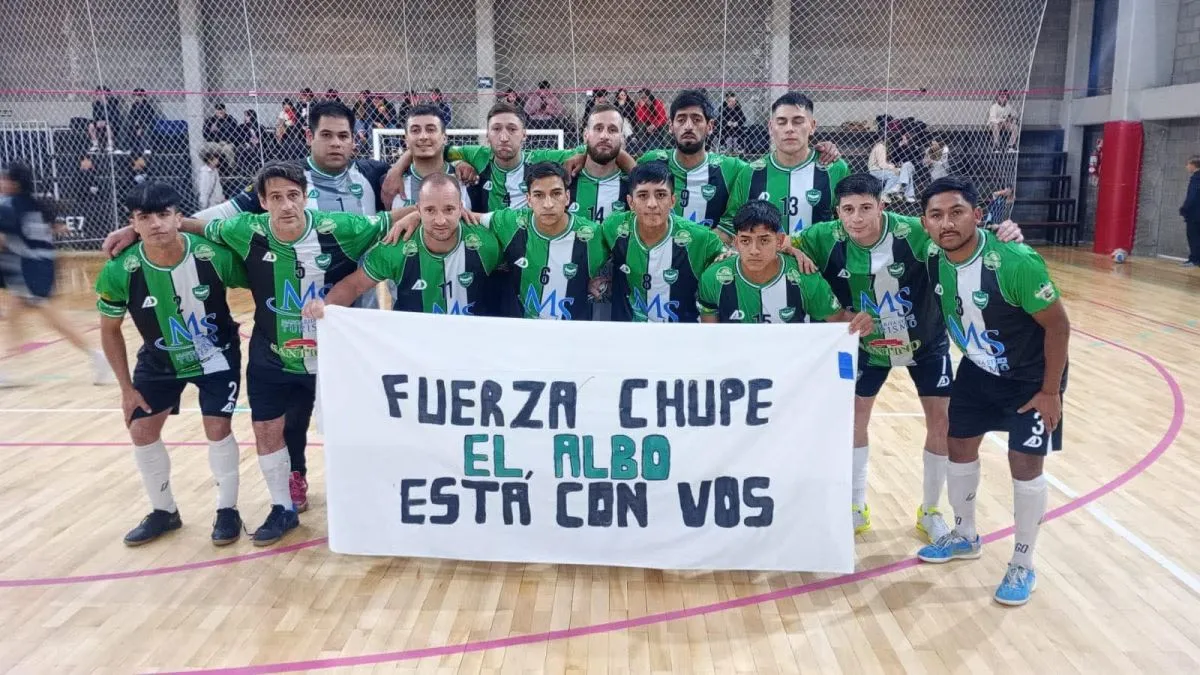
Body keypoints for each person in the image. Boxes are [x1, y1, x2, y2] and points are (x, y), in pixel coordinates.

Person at [102, 162, 410, 543]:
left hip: (332, 353)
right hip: (270, 352)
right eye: (276, 197)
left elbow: (395, 217)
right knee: (265, 429)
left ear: (305, 197)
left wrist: (417, 215)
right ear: (262, 202)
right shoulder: (244, 230)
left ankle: (367, 502)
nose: (286, 205)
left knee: (351, 427)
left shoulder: (341, 228)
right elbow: (198, 226)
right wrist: (141, 230)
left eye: (293, 196)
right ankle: (281, 508)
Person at [795, 173, 1025, 537]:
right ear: (837, 212)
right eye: (848, 210)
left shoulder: (914, 232)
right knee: (854, 419)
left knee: (941, 422)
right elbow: (782, 243)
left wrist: (1004, 232)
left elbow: (967, 237)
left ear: (882, 206)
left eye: (866, 208)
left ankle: (931, 510)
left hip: (925, 341)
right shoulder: (823, 236)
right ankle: (855, 505)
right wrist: (793, 250)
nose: (857, 218)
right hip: (865, 345)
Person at [915, 176, 1069, 607]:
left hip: (1032, 379)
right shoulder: (933, 255)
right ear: (925, 223)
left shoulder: (1015, 261)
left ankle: (1023, 562)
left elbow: (1059, 326)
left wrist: (1050, 391)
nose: (947, 223)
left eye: (957, 212)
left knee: (1025, 464)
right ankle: (965, 535)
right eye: (936, 215)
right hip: (978, 369)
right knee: (958, 446)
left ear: (978, 215)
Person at [96, 182, 247, 547]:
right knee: (141, 430)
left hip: (215, 353)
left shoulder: (212, 255)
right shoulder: (120, 270)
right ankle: (164, 512)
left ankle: (227, 510)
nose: (156, 224)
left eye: (164, 215)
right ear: (133, 224)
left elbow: (259, 282)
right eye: (145, 217)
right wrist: (125, 389)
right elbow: (110, 330)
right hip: (159, 358)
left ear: (179, 218)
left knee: (217, 427)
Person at [305, 173, 500, 317]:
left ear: (461, 209)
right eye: (430, 210)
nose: (440, 220)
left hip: (469, 349)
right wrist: (325, 306)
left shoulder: (486, 244)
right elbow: (354, 286)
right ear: (418, 210)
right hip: (412, 349)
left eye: (449, 209)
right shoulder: (396, 246)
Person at [0, 161, 113, 386]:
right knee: (13, 312)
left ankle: (97, 356)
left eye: (4, 179)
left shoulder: (8, 205)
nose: (2, 182)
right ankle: (9, 368)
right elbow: (56, 228)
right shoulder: (35, 203)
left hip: (30, 267)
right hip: (45, 262)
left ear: (14, 183)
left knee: (54, 319)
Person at [698, 199, 868, 329]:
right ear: (735, 242)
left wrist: (864, 322)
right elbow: (710, 336)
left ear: (779, 241)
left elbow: (839, 319)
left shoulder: (804, 275)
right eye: (745, 241)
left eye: (764, 240)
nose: (754, 250)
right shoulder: (714, 277)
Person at [384, 102, 576, 212]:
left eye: (512, 129)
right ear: (487, 135)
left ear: (524, 134)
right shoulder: (477, 156)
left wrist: (580, 157)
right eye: (496, 129)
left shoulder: (541, 159)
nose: (504, 137)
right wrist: (397, 168)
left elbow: (586, 149)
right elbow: (434, 147)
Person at [483, 163, 611, 320]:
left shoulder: (592, 235)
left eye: (556, 193)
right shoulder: (512, 223)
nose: (548, 204)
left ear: (567, 197)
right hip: (523, 329)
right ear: (528, 199)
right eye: (538, 195)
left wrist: (599, 281)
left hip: (572, 331)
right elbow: (472, 218)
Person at [601, 162, 724, 323]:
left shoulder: (702, 239)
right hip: (628, 332)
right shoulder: (614, 227)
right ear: (630, 202)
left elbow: (728, 267)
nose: (652, 204)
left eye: (660, 195)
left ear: (673, 200)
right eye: (643, 195)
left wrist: (726, 256)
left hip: (681, 333)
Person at [724, 92, 850, 238]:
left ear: (812, 126)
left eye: (798, 121)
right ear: (771, 127)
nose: (789, 128)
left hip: (819, 254)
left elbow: (850, 225)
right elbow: (729, 227)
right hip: (767, 254)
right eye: (781, 122)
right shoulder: (750, 173)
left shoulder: (835, 169)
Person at [634, 90, 748, 232]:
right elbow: (630, 174)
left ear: (710, 126)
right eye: (681, 120)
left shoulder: (731, 168)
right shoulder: (652, 160)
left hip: (711, 246)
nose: (688, 126)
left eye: (696, 119)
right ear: (670, 126)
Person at [392, 104, 470, 208]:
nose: (423, 137)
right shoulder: (393, 184)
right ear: (406, 139)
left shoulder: (466, 180)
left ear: (444, 138)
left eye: (430, 130)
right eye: (415, 130)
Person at [571, 104, 629, 223]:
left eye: (612, 130)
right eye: (598, 128)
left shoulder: (632, 188)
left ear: (622, 138)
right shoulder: (565, 182)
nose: (604, 136)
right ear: (586, 135)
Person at [869, 135, 916, 204]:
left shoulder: (913, 148)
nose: (902, 141)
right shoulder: (881, 147)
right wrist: (893, 168)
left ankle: (898, 190)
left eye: (904, 139)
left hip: (909, 167)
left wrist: (892, 167)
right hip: (876, 170)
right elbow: (882, 164)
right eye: (901, 139)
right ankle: (886, 193)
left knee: (905, 170)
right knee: (895, 174)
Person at [88, 86, 122, 154]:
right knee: (91, 126)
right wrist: (97, 122)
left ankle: (110, 145)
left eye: (100, 94)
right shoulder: (97, 105)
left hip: (112, 123)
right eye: (97, 94)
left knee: (108, 126)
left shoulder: (112, 104)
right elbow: (95, 116)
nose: (98, 96)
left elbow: (114, 117)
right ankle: (95, 145)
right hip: (100, 123)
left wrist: (105, 122)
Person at [1181, 156, 1200, 267]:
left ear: (1193, 165)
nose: (1187, 166)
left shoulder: (1196, 178)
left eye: (1188, 164)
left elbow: (1192, 196)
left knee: (1193, 237)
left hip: (1194, 214)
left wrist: (1184, 209)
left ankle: (1194, 260)